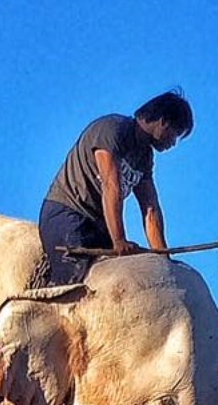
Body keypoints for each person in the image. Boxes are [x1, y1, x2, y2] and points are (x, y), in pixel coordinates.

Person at [39, 90, 194, 284]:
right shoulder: (113, 130)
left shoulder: (144, 157)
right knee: (76, 277)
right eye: (175, 135)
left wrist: (163, 258)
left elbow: (150, 209)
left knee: (115, 282)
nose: (173, 143)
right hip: (66, 213)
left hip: (98, 226)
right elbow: (111, 185)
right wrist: (119, 240)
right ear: (163, 122)